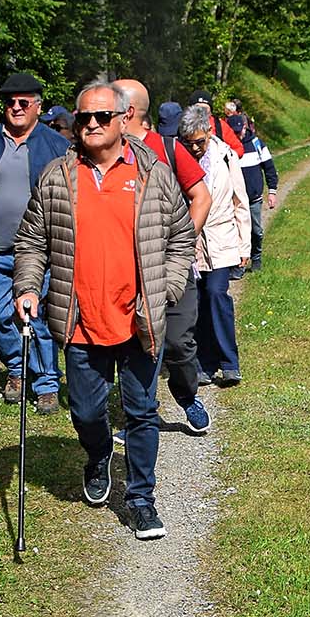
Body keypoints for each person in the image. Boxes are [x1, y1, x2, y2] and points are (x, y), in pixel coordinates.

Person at [13, 82, 193, 541]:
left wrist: (167, 290)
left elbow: (181, 238)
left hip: (139, 321)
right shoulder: (58, 176)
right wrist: (28, 287)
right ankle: (97, 456)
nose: (92, 124)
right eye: (84, 118)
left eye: (102, 117)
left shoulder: (154, 173)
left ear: (123, 119)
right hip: (80, 321)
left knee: (142, 412)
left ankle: (141, 500)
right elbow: (32, 241)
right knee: (87, 413)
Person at [0, 72, 70, 413]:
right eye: (10, 102)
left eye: (24, 102)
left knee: (39, 318)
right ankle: (18, 367)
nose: (16, 108)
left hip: (41, 252)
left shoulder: (57, 146)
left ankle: (47, 384)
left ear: (38, 106)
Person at [115, 80, 212, 432]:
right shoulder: (105, 155)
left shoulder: (167, 148)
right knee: (136, 344)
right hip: (125, 269)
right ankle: (141, 416)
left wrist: (182, 243)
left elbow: (201, 197)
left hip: (172, 267)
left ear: (127, 113)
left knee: (177, 342)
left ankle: (187, 396)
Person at [180, 101, 250, 387]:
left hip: (222, 240)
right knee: (197, 303)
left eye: (199, 141)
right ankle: (205, 365)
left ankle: (229, 362)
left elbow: (240, 201)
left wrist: (244, 247)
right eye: (189, 143)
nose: (195, 148)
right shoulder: (180, 159)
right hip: (192, 245)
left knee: (216, 294)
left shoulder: (226, 156)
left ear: (208, 132)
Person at [223, 98, 278, 272]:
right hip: (234, 200)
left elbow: (269, 168)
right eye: (233, 132)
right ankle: (237, 265)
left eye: (239, 131)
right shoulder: (225, 148)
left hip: (253, 198)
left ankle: (256, 257)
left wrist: (272, 191)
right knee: (235, 232)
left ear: (245, 128)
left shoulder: (256, 144)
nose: (237, 135)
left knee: (255, 230)